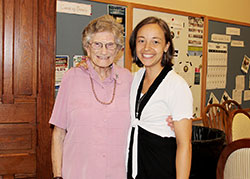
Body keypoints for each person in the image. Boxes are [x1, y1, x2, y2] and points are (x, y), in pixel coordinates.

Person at [49, 15, 133, 179]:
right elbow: (58, 133)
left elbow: (144, 118)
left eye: (110, 45)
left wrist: (169, 121)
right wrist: (57, 175)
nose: (103, 51)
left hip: (117, 174)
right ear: (87, 47)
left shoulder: (128, 79)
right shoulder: (71, 78)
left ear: (117, 50)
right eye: (97, 44)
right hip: (77, 173)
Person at [127, 16, 193, 179]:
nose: (147, 48)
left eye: (155, 42)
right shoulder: (135, 78)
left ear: (166, 46)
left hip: (161, 169)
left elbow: (184, 145)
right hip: (134, 167)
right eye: (141, 41)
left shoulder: (177, 85)